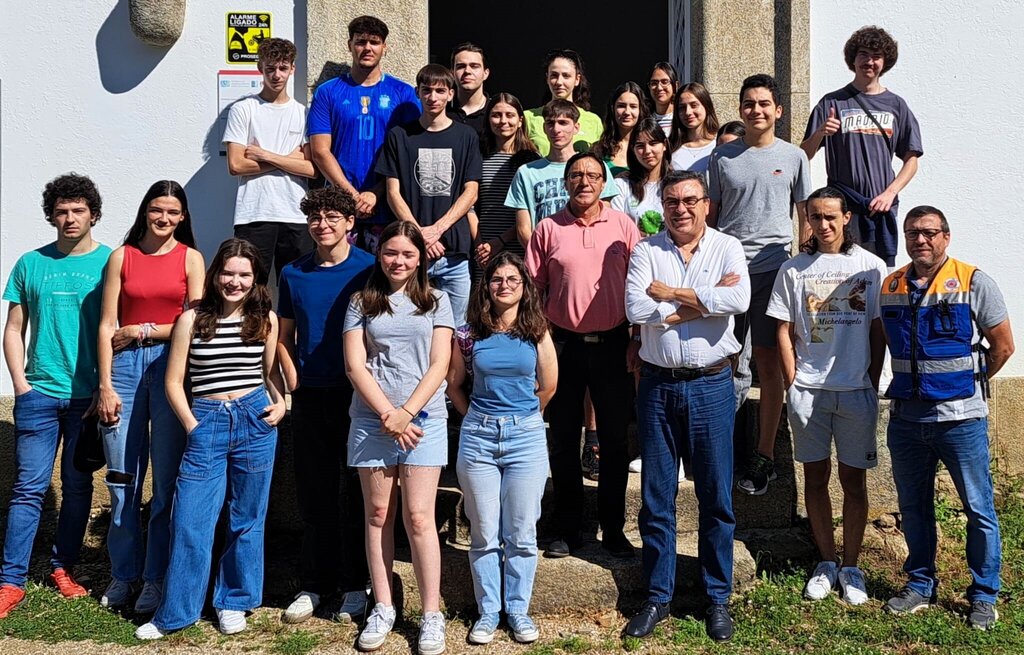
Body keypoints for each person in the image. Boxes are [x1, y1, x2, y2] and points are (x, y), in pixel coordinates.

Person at [135, 238, 287, 639]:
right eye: (228, 273)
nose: (235, 282)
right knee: (190, 519)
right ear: (215, 274)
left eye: (244, 275)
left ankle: (233, 600)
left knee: (247, 517)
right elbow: (173, 381)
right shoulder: (191, 320)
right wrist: (192, 425)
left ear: (255, 279)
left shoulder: (265, 320)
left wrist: (281, 403)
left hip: (255, 420)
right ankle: (176, 612)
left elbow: (269, 373)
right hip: (207, 419)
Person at [623, 170, 749, 642]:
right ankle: (658, 596)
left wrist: (670, 295)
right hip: (657, 386)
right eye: (673, 201)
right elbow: (635, 309)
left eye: (690, 200)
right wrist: (702, 304)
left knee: (715, 496)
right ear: (664, 206)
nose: (682, 209)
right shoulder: (646, 250)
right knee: (657, 497)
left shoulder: (727, 247)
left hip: (711, 385)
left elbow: (739, 298)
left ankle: (717, 598)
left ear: (706, 204)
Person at [880, 206, 1014, 630]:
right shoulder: (891, 285)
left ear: (946, 236)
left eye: (929, 232)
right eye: (912, 233)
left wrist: (969, 382)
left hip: (960, 420)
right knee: (913, 507)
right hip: (907, 420)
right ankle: (921, 584)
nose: (920, 240)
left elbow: (1003, 346)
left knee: (978, 508)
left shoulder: (973, 281)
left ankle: (984, 595)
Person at [766, 186, 887, 605]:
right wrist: (793, 380)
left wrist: (871, 379)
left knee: (854, 481)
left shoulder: (870, 267)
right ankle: (826, 561)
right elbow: (782, 329)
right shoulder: (794, 269)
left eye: (831, 216)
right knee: (815, 478)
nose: (823, 224)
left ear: (846, 218)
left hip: (855, 392)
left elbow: (877, 328)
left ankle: (851, 566)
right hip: (809, 392)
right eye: (815, 217)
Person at [0, 174, 112, 618]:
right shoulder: (31, 263)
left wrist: (106, 387)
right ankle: (11, 581)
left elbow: (115, 326)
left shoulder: (110, 262)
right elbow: (14, 329)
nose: (70, 218)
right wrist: (20, 385)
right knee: (28, 489)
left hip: (89, 398)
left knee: (79, 486)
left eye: (78, 210)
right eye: (61, 211)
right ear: (51, 216)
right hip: (39, 394)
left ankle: (63, 567)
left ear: (93, 215)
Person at [343, 221, 455, 654]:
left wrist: (406, 413)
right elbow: (355, 365)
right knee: (377, 514)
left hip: (423, 420)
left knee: (420, 517)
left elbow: (440, 364)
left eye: (408, 254)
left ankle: (431, 613)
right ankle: (384, 605)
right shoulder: (361, 301)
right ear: (379, 254)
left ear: (420, 258)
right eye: (391, 252)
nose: (398, 261)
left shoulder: (437, 301)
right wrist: (388, 414)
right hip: (372, 420)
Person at [95, 181, 205, 613]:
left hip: (170, 366)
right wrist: (104, 385)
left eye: (173, 212)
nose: (164, 218)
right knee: (122, 480)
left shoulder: (191, 258)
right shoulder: (122, 257)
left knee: (165, 483)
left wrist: (143, 329)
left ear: (183, 217)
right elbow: (107, 325)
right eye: (157, 210)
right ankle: (123, 574)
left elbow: (196, 322)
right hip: (122, 368)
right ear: (145, 211)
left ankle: (155, 578)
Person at [525, 152, 641, 559]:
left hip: (614, 345)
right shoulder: (548, 228)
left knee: (614, 441)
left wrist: (637, 338)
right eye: (576, 175)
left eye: (592, 175)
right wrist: (539, 346)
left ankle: (613, 528)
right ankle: (566, 527)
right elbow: (533, 291)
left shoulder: (623, 226)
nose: (584, 181)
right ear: (566, 182)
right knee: (562, 439)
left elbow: (640, 285)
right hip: (563, 346)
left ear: (604, 182)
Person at [708, 73, 811, 497]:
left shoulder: (794, 157)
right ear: (740, 109)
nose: (756, 110)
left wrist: (804, 262)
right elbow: (711, 216)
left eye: (764, 103)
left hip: (773, 272)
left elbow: (804, 214)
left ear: (778, 110)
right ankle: (717, 449)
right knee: (721, 363)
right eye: (749, 103)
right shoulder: (722, 157)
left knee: (769, 365)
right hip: (729, 272)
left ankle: (764, 455)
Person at [447, 251, 558, 645]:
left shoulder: (537, 330)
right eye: (497, 279)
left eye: (513, 279)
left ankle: (518, 609)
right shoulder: (469, 333)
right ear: (487, 286)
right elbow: (454, 384)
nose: (504, 286)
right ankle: (489, 610)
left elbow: (549, 385)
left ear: (524, 287)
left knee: (522, 531)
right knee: (483, 531)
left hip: (525, 437)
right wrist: (475, 417)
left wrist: (524, 417)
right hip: (479, 437)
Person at [276, 187, 375, 624]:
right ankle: (314, 584)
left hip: (359, 394)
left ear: (350, 223)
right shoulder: (293, 272)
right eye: (316, 217)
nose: (323, 224)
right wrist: (292, 377)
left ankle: (356, 583)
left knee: (356, 492)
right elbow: (283, 335)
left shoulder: (369, 268)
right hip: (311, 393)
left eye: (333, 216)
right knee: (314, 492)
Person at [801, 26, 923, 267]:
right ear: (853, 59)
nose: (869, 62)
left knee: (877, 273)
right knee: (838, 269)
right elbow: (803, 155)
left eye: (876, 56)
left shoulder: (896, 105)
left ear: (885, 62)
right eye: (863, 54)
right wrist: (820, 133)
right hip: (841, 208)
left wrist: (890, 193)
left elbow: (912, 160)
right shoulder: (832, 102)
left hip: (880, 208)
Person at [376, 63, 481, 327]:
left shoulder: (466, 136)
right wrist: (420, 236)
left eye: (440, 91)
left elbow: (471, 192)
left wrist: (437, 229)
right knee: (410, 326)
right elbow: (392, 192)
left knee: (457, 329)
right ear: (417, 92)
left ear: (451, 94)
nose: (433, 97)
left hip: (454, 252)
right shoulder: (399, 136)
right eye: (427, 90)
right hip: (411, 253)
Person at [307, 15, 421, 251]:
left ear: (384, 47)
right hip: (339, 207)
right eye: (360, 42)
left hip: (388, 205)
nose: (367, 48)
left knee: (386, 271)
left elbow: (410, 151)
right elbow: (320, 151)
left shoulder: (403, 93)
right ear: (350, 45)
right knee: (340, 270)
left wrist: (376, 193)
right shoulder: (327, 92)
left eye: (374, 42)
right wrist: (352, 195)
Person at [223, 37, 316, 283]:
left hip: (296, 214)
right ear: (260, 68)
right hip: (254, 214)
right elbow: (236, 165)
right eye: (270, 68)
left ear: (292, 69)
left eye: (283, 68)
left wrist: (265, 155)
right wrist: (289, 160)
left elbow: (311, 168)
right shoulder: (243, 109)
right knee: (250, 285)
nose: (276, 75)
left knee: (296, 287)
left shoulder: (303, 113)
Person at [506, 99, 618, 248]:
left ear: (576, 127)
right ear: (544, 128)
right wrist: (540, 255)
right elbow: (523, 229)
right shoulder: (526, 173)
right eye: (550, 123)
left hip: (587, 251)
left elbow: (605, 216)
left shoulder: (596, 167)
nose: (556, 129)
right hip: (543, 253)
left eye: (563, 123)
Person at [472, 93, 540, 270]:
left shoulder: (532, 160)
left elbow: (534, 209)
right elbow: (470, 205)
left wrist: (501, 241)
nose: (503, 121)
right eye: (496, 115)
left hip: (519, 245)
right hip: (483, 248)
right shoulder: (478, 156)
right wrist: (480, 245)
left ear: (520, 121)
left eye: (510, 115)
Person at [523, 50, 603, 156]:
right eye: (554, 75)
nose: (559, 82)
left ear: (577, 79)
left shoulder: (593, 121)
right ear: (547, 78)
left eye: (566, 76)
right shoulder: (528, 118)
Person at [612, 117, 671, 237]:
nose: (647, 151)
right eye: (640, 146)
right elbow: (617, 227)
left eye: (653, 143)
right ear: (633, 149)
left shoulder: (676, 183)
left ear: (664, 145)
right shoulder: (621, 184)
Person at [591, 81, 649, 176]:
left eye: (633, 106)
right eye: (621, 106)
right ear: (613, 109)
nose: (627, 112)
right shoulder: (598, 149)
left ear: (641, 110)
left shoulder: (650, 148)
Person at [669, 82, 720, 173]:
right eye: (682, 107)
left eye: (694, 105)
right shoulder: (670, 147)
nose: (688, 112)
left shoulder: (719, 143)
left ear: (706, 106)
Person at [449, 42, 490, 140]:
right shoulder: (441, 111)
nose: (467, 71)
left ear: (485, 73)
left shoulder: (495, 113)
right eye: (461, 66)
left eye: (474, 66)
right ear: (452, 73)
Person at [646, 62, 678, 135]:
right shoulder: (645, 121)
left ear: (675, 85)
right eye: (654, 83)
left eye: (664, 82)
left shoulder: (682, 118)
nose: (659, 88)